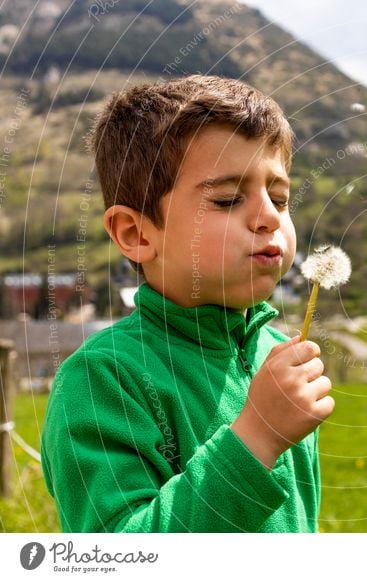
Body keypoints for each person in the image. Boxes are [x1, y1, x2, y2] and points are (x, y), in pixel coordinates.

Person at [41, 75, 334, 532]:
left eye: (279, 197)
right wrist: (256, 436)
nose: (269, 217)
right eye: (227, 199)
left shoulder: (275, 356)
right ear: (136, 234)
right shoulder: (101, 379)